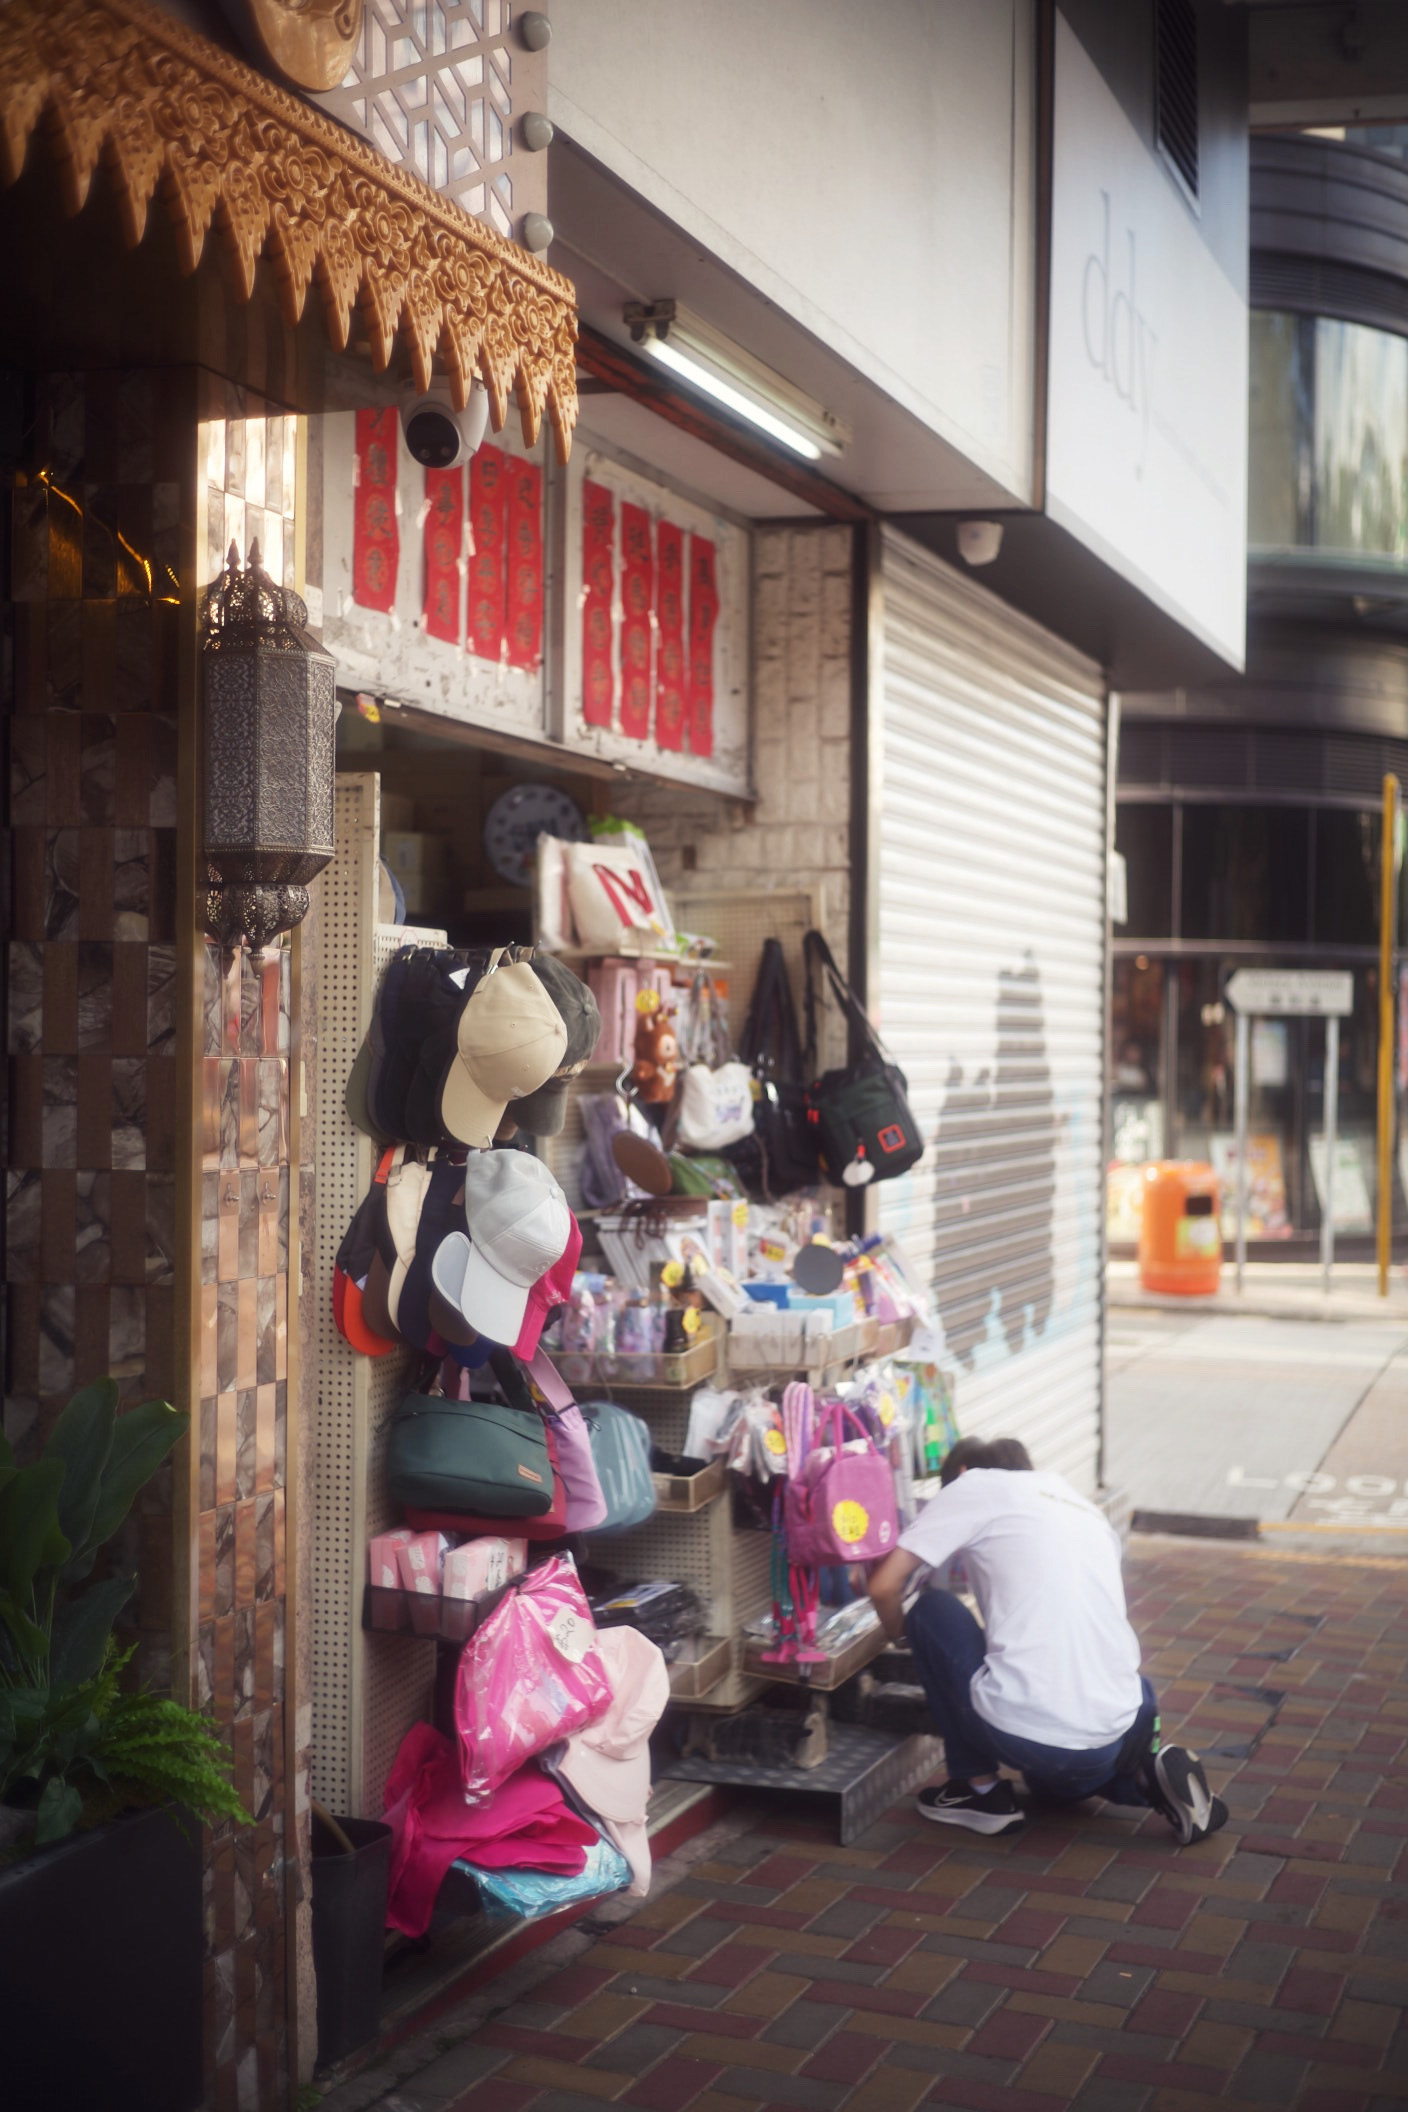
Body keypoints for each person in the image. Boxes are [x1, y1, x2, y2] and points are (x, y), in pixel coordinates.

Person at [863, 1436, 1227, 1844]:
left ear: (963, 1474)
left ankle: (978, 1791)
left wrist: (901, 1637)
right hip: (1115, 1731)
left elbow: (883, 1586)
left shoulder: (974, 1485)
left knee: (932, 1611)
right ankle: (1145, 1778)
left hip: (1031, 1734)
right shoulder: (1085, 1509)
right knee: (1055, 1783)